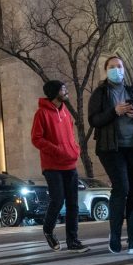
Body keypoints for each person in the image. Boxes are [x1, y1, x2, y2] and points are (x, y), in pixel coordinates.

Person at [88, 55, 133, 254]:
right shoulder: (100, 93)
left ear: (124, 70)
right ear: (106, 70)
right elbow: (94, 120)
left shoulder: (132, 91)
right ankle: (115, 235)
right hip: (111, 148)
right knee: (122, 188)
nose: (116, 69)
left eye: (119, 66)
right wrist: (114, 111)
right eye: (112, 67)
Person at [30, 80, 89, 253]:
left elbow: (70, 136)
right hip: (52, 165)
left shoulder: (66, 113)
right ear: (55, 92)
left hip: (70, 164)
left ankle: (73, 241)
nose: (66, 91)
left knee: (73, 204)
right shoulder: (41, 114)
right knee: (58, 200)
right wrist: (56, 150)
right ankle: (48, 229)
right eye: (63, 89)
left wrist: (74, 149)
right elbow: (36, 139)